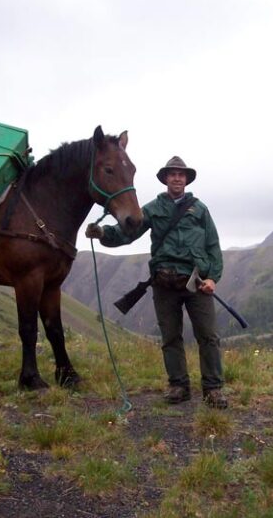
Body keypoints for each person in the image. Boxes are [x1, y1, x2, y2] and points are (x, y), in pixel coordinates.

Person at [86, 156, 227, 409]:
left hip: (197, 283)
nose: (176, 178)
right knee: (170, 337)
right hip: (163, 282)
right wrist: (104, 233)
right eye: (172, 174)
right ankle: (178, 386)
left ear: (186, 179)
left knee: (208, 337)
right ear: (165, 179)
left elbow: (213, 246)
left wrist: (213, 279)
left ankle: (213, 390)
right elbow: (129, 232)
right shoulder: (152, 209)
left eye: (181, 174)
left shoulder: (201, 210)